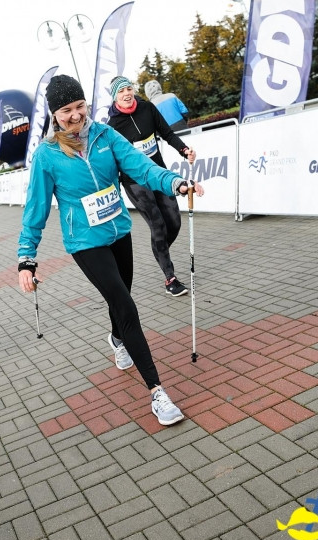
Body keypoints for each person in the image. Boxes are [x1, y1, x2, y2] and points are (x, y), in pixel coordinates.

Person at [17, 75, 205, 427]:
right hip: (85, 242)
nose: (75, 116)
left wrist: (175, 181)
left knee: (123, 298)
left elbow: (141, 167)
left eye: (79, 107)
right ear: (54, 115)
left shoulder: (105, 135)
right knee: (124, 303)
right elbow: (35, 208)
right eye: (65, 111)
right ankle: (157, 392)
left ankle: (117, 337)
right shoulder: (48, 155)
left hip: (118, 230)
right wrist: (26, 259)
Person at [107, 75, 197, 297]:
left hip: (158, 174)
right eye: (121, 91)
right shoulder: (112, 126)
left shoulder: (147, 108)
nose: (127, 94)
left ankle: (160, 249)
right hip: (134, 181)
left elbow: (166, 133)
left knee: (173, 223)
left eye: (128, 88)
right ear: (115, 98)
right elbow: (112, 160)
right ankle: (170, 278)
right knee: (157, 224)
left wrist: (184, 150)